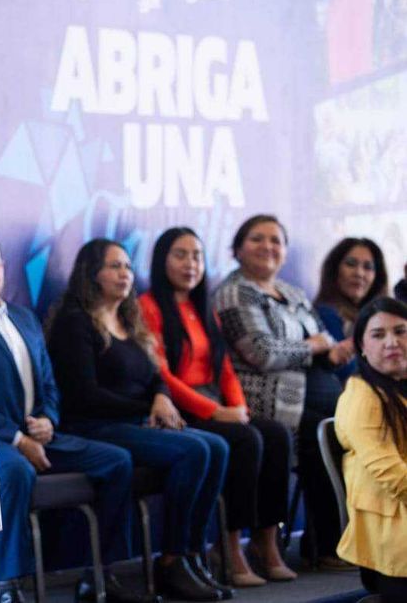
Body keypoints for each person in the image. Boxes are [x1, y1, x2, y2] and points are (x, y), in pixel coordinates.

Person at [0, 230, 153, 603]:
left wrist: (49, 418)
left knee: (116, 461)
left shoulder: (24, 317)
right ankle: (8, 586)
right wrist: (17, 440)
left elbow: (48, 382)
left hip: (40, 435)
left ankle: (100, 576)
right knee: (14, 470)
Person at [47, 239, 229, 602]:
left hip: (134, 422)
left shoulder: (130, 320)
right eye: (114, 266)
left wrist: (161, 394)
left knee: (217, 446)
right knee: (192, 451)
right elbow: (83, 395)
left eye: (128, 266)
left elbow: (155, 372)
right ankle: (172, 561)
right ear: (91, 273)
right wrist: (148, 408)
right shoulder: (75, 323)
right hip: (94, 425)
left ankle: (192, 554)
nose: (124, 274)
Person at [140, 228, 295, 587]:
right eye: (180, 255)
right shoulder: (148, 306)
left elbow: (224, 368)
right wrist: (214, 412)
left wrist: (237, 406)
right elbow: (160, 374)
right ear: (162, 260)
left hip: (216, 400)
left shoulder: (204, 307)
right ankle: (228, 546)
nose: (190, 263)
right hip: (182, 406)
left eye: (196, 255)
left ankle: (266, 543)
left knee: (275, 434)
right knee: (245, 441)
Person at [213, 214, 353, 569]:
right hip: (267, 399)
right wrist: (314, 346)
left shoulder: (293, 292)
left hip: (315, 391)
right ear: (237, 250)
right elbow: (261, 353)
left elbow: (326, 342)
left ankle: (356, 539)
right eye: (257, 239)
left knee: (353, 429)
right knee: (321, 436)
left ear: (286, 252)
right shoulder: (235, 292)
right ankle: (324, 545)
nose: (268, 247)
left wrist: (336, 349)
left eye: (276, 240)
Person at [334, 297, 407, 602]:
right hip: (390, 542)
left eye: (401, 331)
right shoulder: (362, 396)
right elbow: (390, 474)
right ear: (362, 346)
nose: (392, 342)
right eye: (378, 335)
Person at [314, 237, 389, 382]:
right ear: (335, 270)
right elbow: (347, 372)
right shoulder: (326, 314)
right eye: (351, 264)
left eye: (368, 267)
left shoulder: (381, 316)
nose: (359, 273)